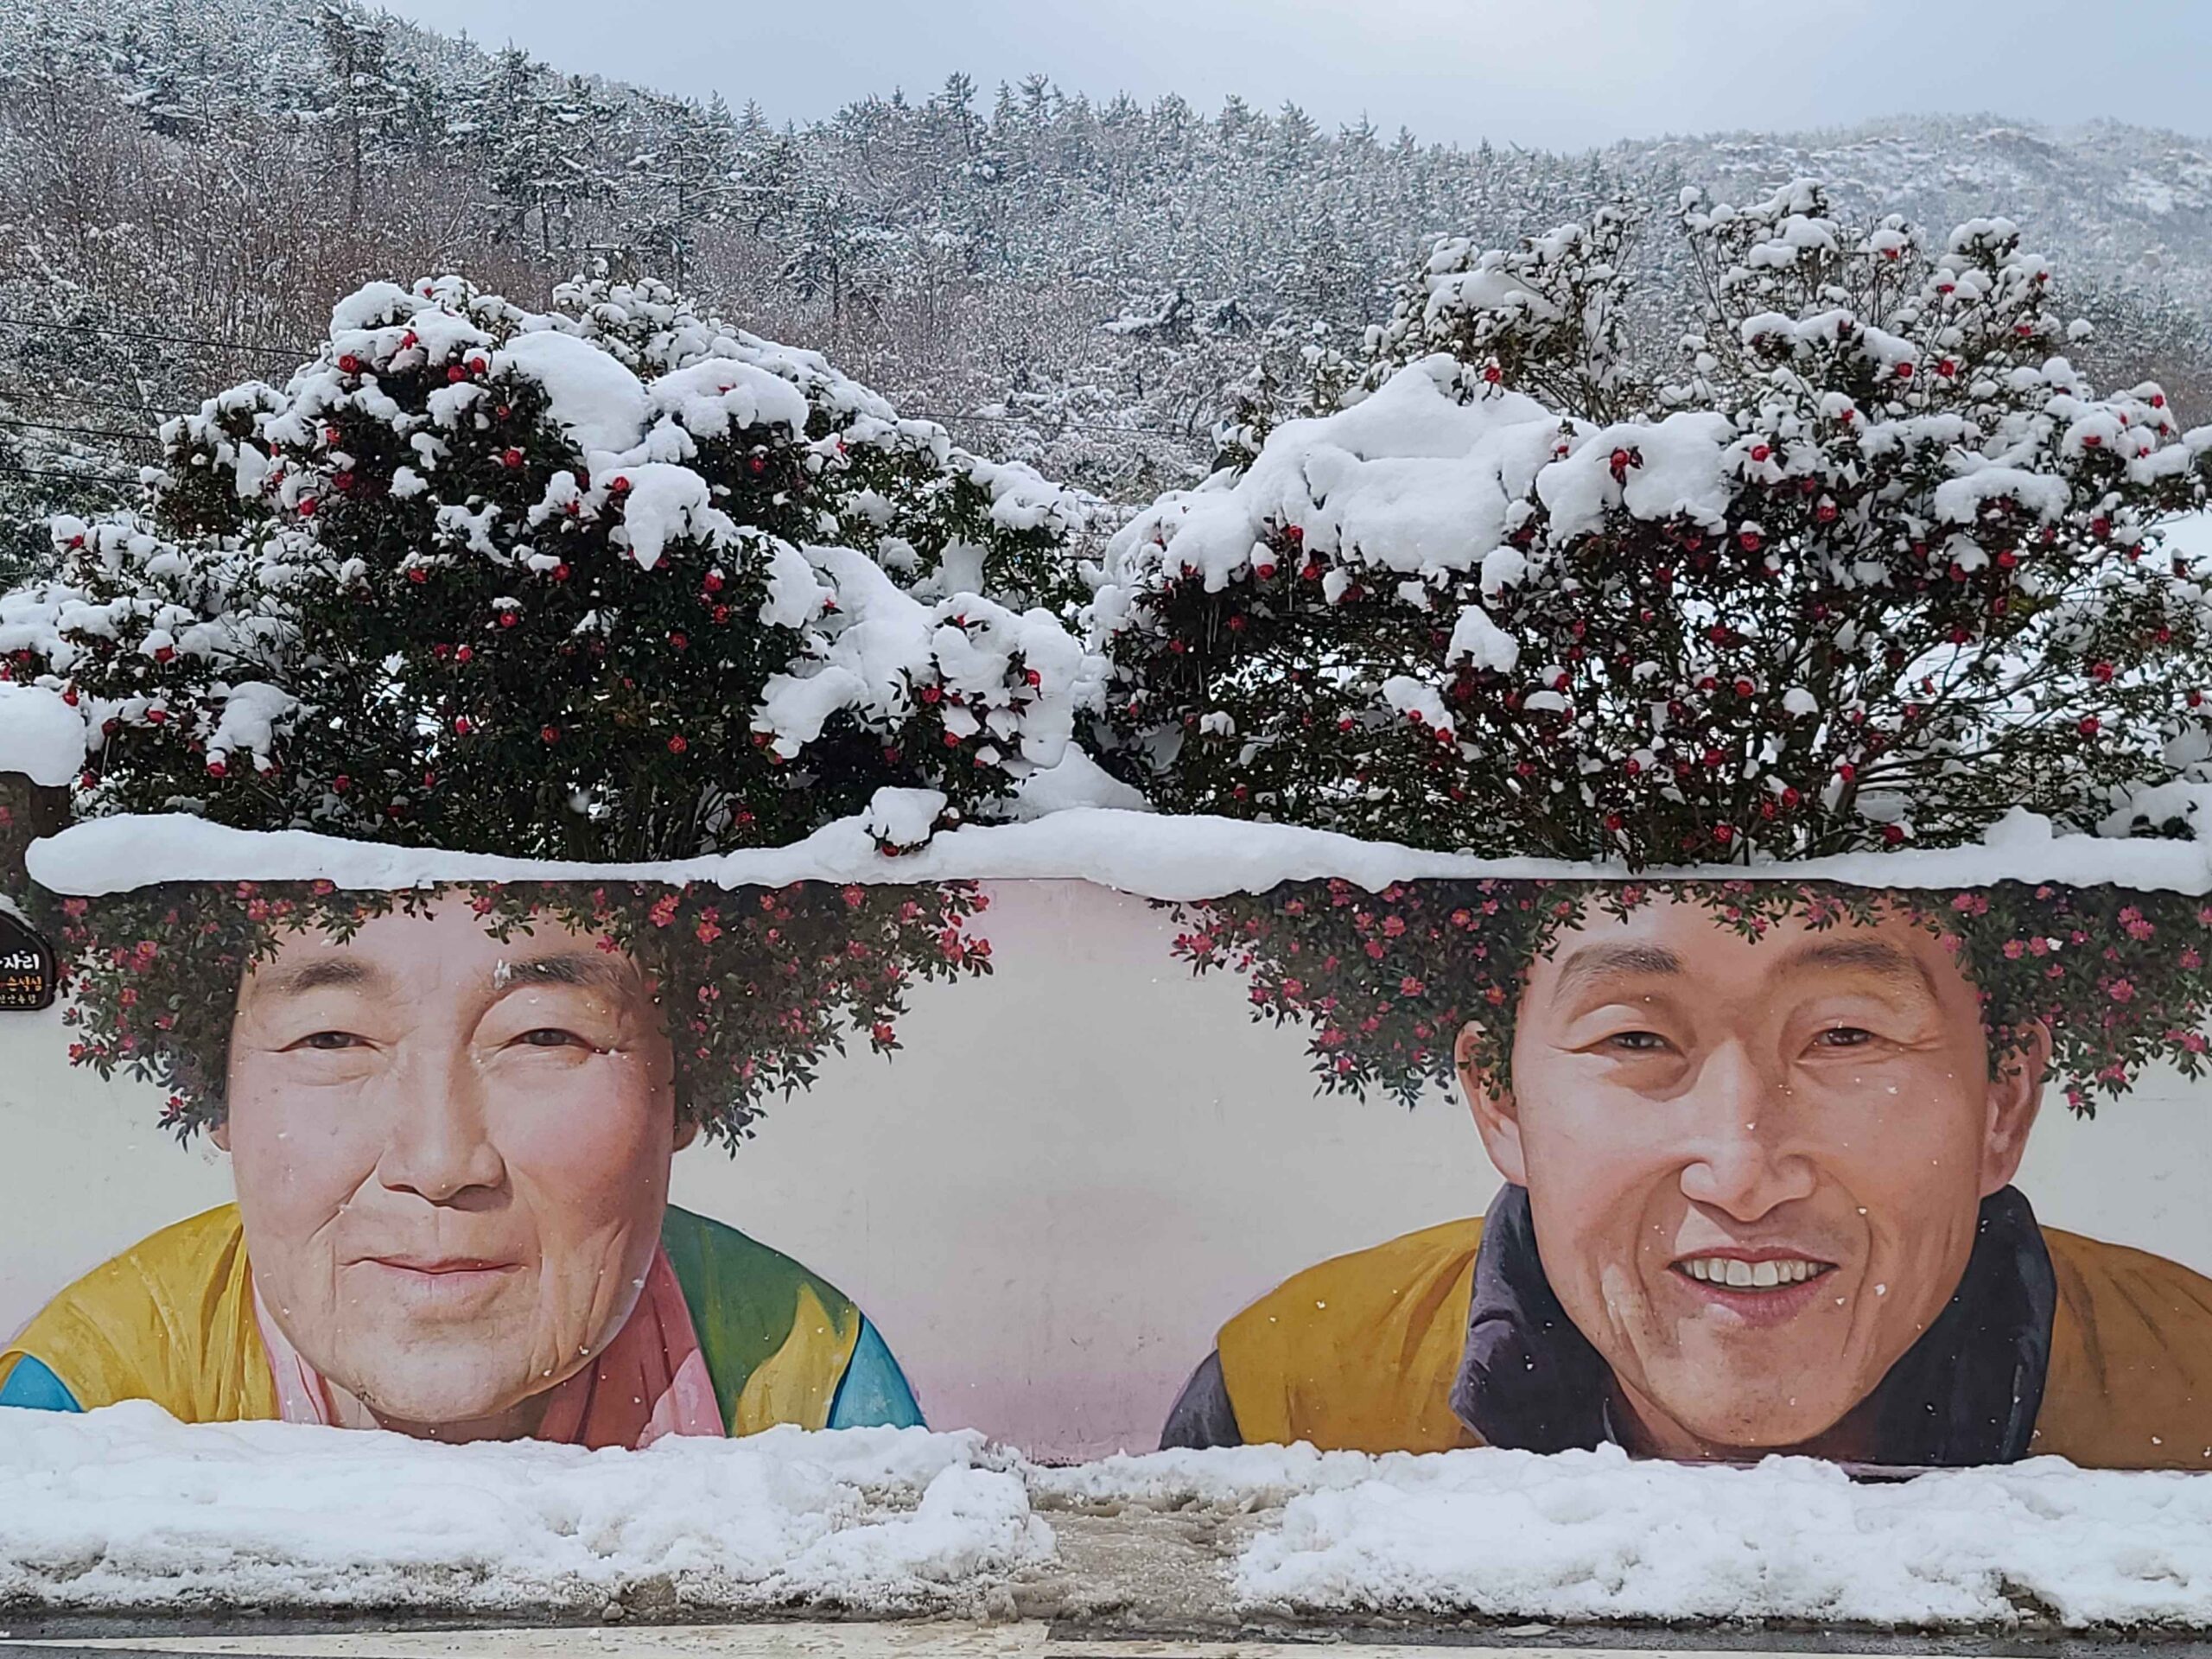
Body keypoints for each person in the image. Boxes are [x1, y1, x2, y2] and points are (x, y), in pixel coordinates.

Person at [1163, 882, 2212, 1469]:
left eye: (1844, 1037)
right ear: (1499, 1100)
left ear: (2004, 1100)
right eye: (1633, 1040)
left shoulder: (2190, 1392)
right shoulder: (1296, 1400)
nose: (1741, 1171)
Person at [2, 877, 984, 1446]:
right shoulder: (88, 1400)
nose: (438, 1162)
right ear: (218, 1096)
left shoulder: (800, 1378)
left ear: (684, 1083)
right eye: (332, 1040)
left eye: (544, 1038)